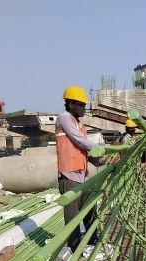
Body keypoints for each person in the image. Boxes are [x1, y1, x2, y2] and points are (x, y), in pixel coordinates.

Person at [55, 85, 105, 250]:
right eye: (81, 104)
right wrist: (99, 148)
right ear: (71, 105)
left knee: (89, 211)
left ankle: (92, 245)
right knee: (72, 219)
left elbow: (87, 153)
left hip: (82, 177)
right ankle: (74, 250)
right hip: (69, 177)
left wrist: (104, 158)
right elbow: (79, 141)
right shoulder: (64, 118)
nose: (84, 108)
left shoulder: (80, 126)